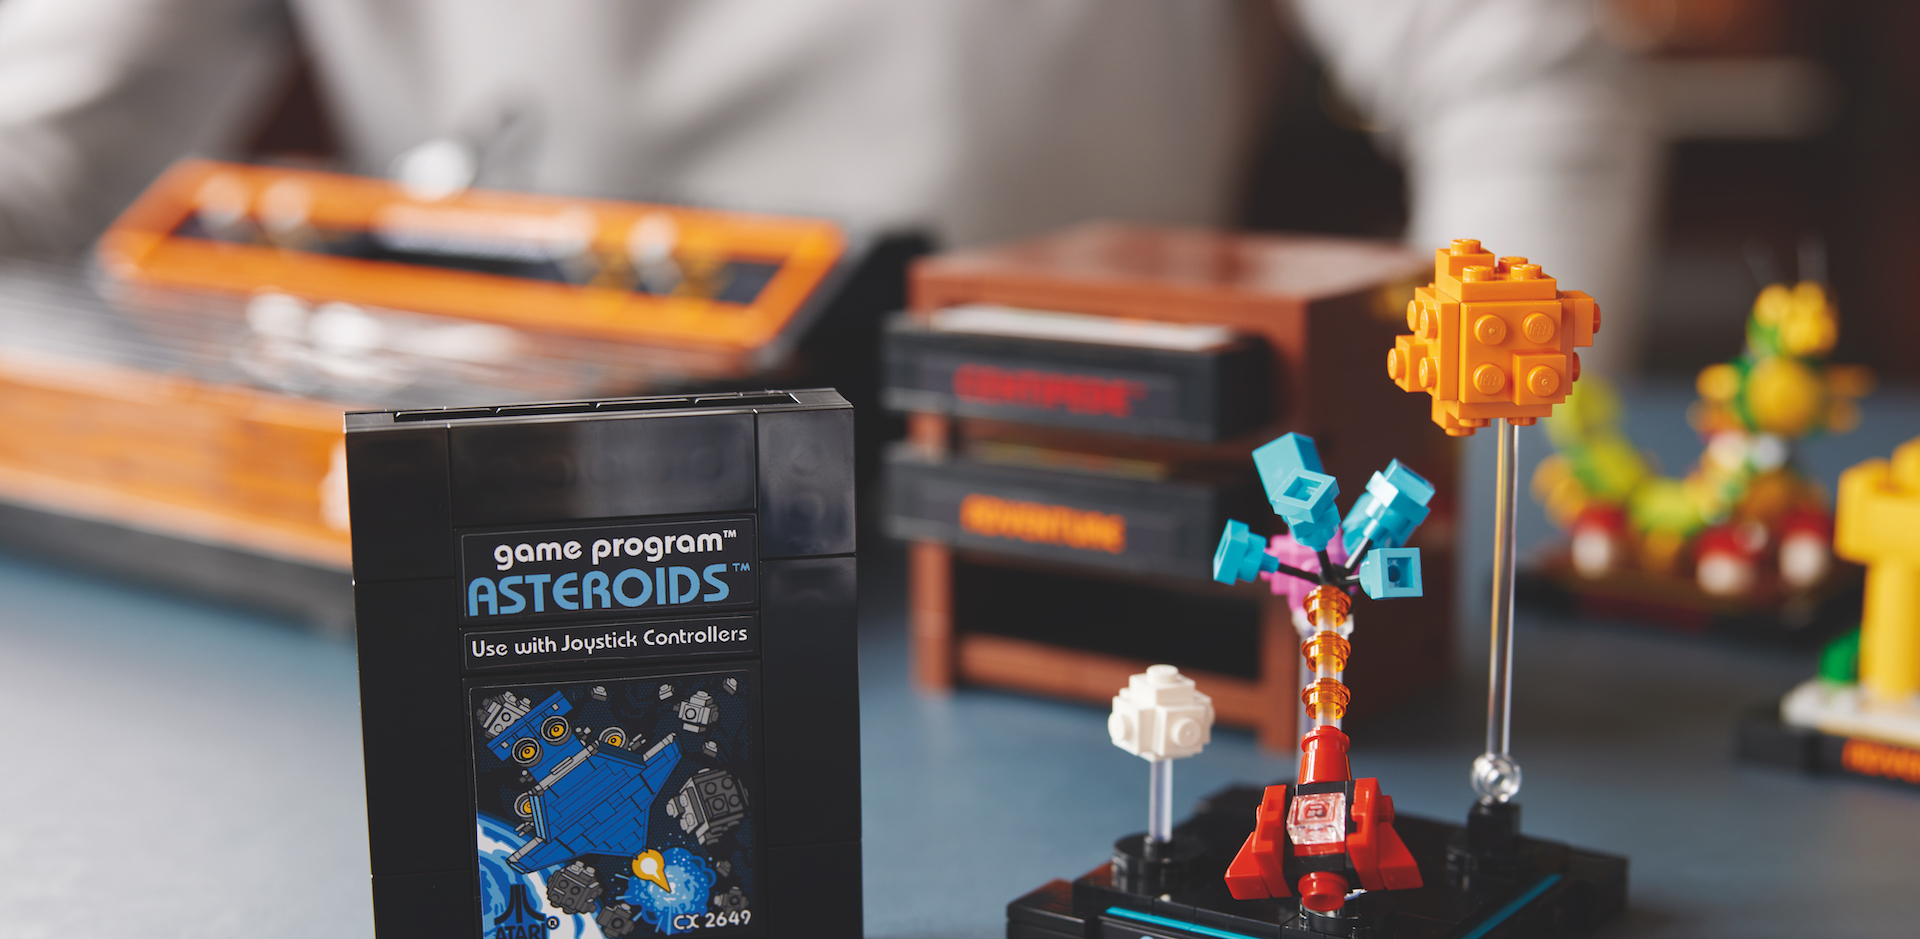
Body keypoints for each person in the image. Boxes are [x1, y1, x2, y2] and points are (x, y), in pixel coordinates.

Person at [0, 0, 1656, 367]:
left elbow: (1523, 70)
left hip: (1065, 515)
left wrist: (1454, 497)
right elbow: (37, 145)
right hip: (456, 553)